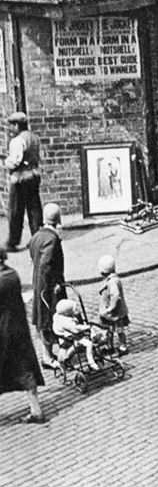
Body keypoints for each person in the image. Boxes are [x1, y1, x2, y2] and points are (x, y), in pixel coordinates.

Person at [0, 247, 46, 424]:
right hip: (19, 330)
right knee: (26, 369)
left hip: (2, 333)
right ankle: (36, 410)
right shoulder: (12, 275)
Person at [30, 202, 65, 367]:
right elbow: (46, 264)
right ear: (58, 219)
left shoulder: (37, 235)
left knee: (45, 319)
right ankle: (48, 356)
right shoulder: (52, 239)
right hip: (50, 288)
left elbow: (33, 254)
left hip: (39, 284)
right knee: (50, 319)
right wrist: (55, 283)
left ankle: (50, 353)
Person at [4, 111, 42, 252]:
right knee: (34, 208)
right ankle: (37, 239)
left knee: (15, 210)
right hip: (34, 175)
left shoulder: (17, 141)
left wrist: (7, 163)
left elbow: (14, 161)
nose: (10, 129)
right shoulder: (34, 137)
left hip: (20, 178)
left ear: (17, 125)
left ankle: (13, 242)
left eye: (11, 126)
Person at [52, 299, 102, 371]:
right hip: (70, 338)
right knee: (89, 343)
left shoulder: (60, 317)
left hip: (71, 335)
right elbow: (75, 329)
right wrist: (85, 327)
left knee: (88, 333)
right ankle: (91, 362)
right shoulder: (66, 323)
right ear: (67, 312)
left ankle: (93, 337)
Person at [97, 255, 129, 355]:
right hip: (110, 313)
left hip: (115, 312)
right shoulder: (111, 279)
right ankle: (109, 346)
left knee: (119, 330)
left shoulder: (112, 282)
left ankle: (123, 347)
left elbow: (115, 296)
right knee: (108, 329)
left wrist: (111, 307)